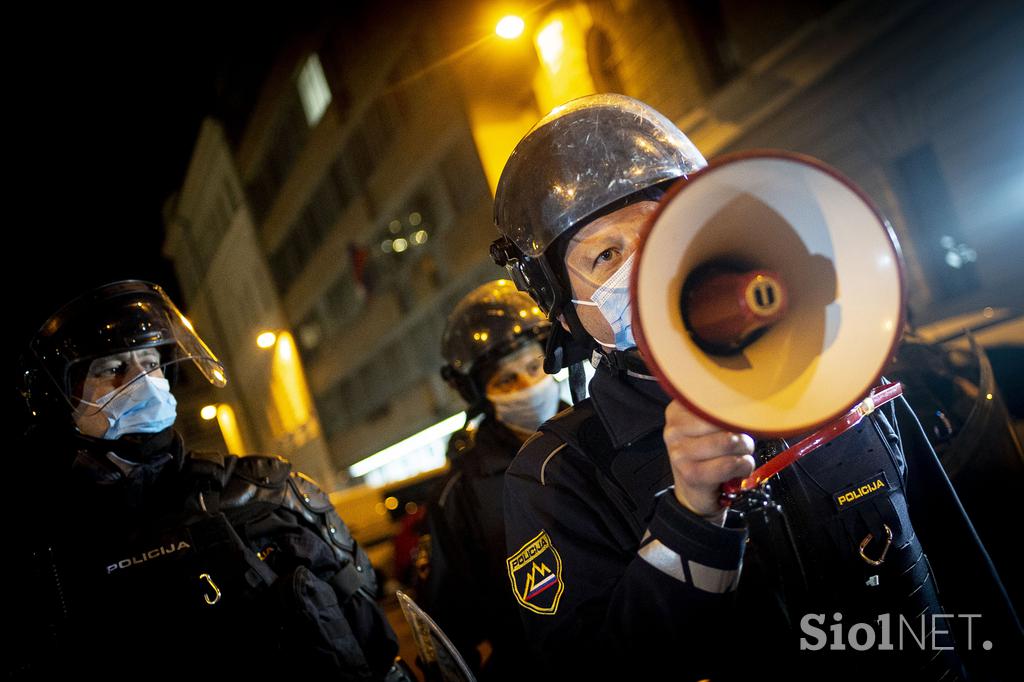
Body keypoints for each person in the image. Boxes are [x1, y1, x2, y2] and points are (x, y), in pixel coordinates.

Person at [489, 94, 1022, 681]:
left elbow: (964, 572)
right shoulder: (560, 477)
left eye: (665, 233)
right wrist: (691, 520)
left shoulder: (835, 378)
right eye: (607, 254)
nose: (649, 267)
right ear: (564, 309)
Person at [12, 280, 411, 679]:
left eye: (150, 364)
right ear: (63, 404)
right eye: (114, 370)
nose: (143, 383)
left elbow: (376, 649)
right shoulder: (53, 554)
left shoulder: (267, 491)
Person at [417, 279, 564, 680]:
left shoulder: (599, 432)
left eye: (534, 367)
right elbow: (447, 625)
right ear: (484, 395)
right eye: (506, 380)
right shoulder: (459, 493)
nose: (527, 387)